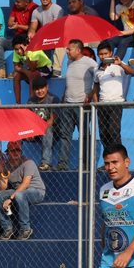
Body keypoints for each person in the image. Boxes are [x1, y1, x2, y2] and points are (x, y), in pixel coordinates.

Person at [0, 140, 45, 240]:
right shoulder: (6, 165)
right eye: (12, 150)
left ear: (21, 151)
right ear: (8, 152)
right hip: (17, 190)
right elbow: (3, 187)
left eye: (18, 150)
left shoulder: (28, 163)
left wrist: (10, 199)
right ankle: (7, 228)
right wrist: (1, 172)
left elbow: (25, 184)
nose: (15, 152)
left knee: (20, 195)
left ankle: (25, 229)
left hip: (34, 190)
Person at [52, 40, 95, 171]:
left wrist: (91, 94)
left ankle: (86, 164)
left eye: (69, 49)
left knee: (84, 135)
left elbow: (99, 79)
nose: (67, 51)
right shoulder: (69, 62)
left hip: (82, 106)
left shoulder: (89, 63)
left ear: (78, 50)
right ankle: (62, 164)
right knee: (65, 135)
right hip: (68, 105)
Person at [91, 44, 133, 148]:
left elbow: (131, 71)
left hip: (116, 103)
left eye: (106, 53)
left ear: (111, 54)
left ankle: (119, 158)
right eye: (100, 54)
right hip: (102, 104)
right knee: (103, 134)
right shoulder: (97, 68)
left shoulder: (117, 65)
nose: (103, 56)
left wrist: (121, 64)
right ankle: (108, 159)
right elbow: (96, 86)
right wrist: (96, 102)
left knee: (114, 132)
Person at [8, 34, 53, 105]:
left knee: (32, 75)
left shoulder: (34, 50)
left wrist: (26, 54)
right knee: (16, 75)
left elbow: (32, 68)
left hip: (46, 69)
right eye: (16, 49)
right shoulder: (16, 52)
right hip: (30, 70)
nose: (19, 51)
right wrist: (25, 71)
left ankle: (31, 103)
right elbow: (16, 67)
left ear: (26, 45)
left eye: (20, 48)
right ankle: (18, 103)